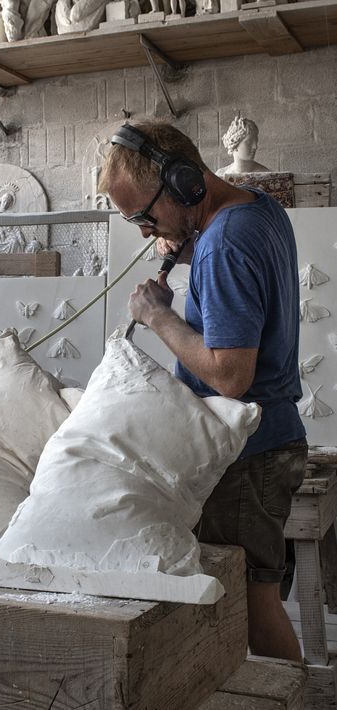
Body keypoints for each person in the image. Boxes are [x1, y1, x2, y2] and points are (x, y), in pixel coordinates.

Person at [98, 120, 307, 662]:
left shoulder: (223, 245)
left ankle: (295, 698)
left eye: (146, 215)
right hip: (270, 444)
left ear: (187, 183)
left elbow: (230, 374)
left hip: (249, 456)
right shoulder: (257, 209)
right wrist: (191, 243)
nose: (145, 232)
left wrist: (158, 316)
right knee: (251, 599)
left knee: (252, 609)